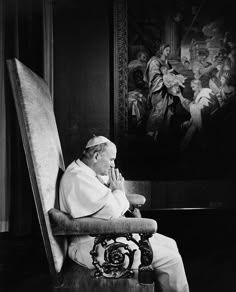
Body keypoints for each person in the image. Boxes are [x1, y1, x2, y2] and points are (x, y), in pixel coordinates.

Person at [59, 135, 189, 292]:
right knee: (171, 259)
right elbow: (113, 211)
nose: (113, 165)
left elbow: (108, 204)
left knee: (170, 243)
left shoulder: (84, 171)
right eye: (111, 159)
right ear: (96, 156)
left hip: (105, 236)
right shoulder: (78, 177)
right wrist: (118, 190)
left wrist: (114, 189)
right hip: (93, 246)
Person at [144, 43, 181, 142]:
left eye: (169, 50)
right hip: (159, 92)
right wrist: (166, 81)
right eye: (166, 50)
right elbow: (154, 77)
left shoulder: (166, 62)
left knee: (168, 113)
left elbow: (171, 72)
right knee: (158, 112)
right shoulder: (154, 61)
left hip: (168, 91)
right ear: (161, 50)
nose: (168, 52)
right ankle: (151, 134)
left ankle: (162, 135)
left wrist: (176, 77)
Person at [177, 79, 219, 151]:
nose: (193, 90)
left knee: (188, 139)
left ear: (198, 85)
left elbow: (196, 110)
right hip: (207, 118)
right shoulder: (206, 91)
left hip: (207, 122)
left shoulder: (204, 96)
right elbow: (195, 106)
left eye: (193, 87)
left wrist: (180, 96)